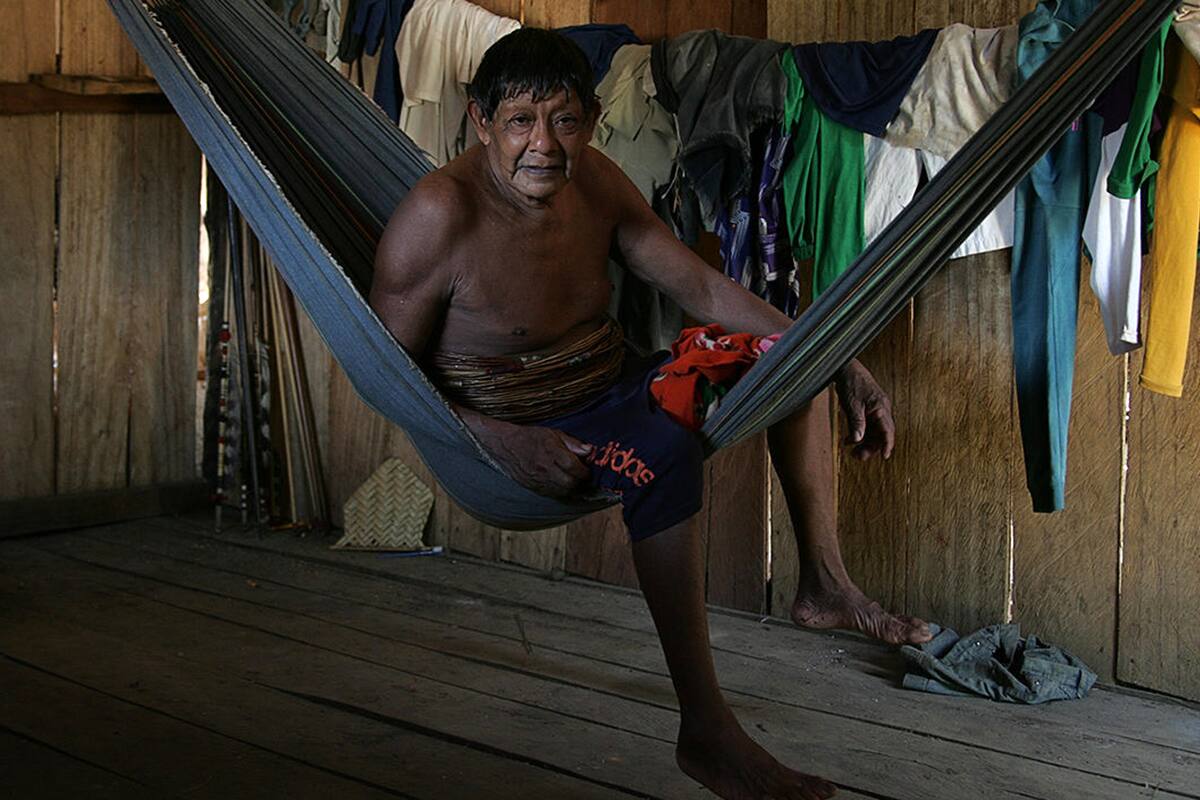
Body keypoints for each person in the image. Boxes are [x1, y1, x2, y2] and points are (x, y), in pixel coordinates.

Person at [371, 28, 930, 800]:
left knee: (785, 362)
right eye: (520, 122)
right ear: (479, 122)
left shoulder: (595, 182)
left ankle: (824, 583)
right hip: (523, 422)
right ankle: (708, 731)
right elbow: (384, 374)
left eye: (564, 121)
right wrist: (498, 441)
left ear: (594, 118)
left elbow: (700, 288)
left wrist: (841, 362)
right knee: (664, 454)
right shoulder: (437, 215)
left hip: (615, 381)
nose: (544, 146)